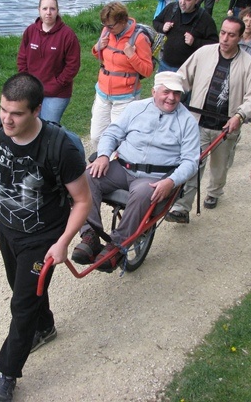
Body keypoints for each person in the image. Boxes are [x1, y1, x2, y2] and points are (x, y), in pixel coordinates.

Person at [0, 73, 92, 402]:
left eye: (16, 113)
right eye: (3, 109)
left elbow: (82, 201)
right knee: (25, 292)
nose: (7, 118)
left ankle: (7, 374)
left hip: (42, 238)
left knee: (21, 306)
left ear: (36, 111)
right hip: (7, 229)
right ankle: (45, 326)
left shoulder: (58, 147)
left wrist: (62, 242)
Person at [71, 72, 200, 270]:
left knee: (142, 194)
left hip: (154, 177)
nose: (172, 98)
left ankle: (117, 247)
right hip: (122, 167)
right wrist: (104, 155)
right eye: (167, 92)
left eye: (176, 93)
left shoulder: (186, 121)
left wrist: (171, 181)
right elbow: (112, 133)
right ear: (154, 91)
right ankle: (90, 235)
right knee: (88, 177)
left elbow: (191, 161)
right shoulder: (136, 108)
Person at [164, 17, 251, 223]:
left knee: (220, 166)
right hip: (198, 122)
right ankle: (182, 208)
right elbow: (182, 76)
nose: (225, 38)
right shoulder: (204, 53)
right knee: (192, 165)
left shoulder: (249, 64)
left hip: (227, 126)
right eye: (223, 33)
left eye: (231, 35)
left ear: (240, 37)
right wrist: (168, 91)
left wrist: (240, 115)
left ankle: (215, 192)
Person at [90, 2, 154, 150]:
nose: (108, 29)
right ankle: (100, 165)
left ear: (123, 21)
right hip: (102, 94)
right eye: (105, 25)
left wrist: (132, 56)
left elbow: (147, 70)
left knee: (117, 140)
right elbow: (106, 59)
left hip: (125, 97)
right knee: (96, 137)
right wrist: (96, 48)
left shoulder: (138, 39)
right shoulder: (107, 32)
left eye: (111, 26)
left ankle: (114, 170)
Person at [17, 0, 81, 123]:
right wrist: (27, 81)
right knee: (30, 126)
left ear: (57, 11)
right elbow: (22, 58)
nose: (48, 13)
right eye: (45, 8)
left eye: (52, 9)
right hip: (33, 90)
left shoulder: (67, 35)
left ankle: (70, 142)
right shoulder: (30, 31)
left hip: (57, 93)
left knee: (49, 128)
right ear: (39, 10)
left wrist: (57, 84)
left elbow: (73, 65)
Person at [153, 0, 218, 73]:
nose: (182, 2)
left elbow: (214, 44)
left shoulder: (205, 19)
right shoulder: (172, 8)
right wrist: (162, 27)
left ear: (196, 0)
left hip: (187, 69)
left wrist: (195, 42)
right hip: (165, 64)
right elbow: (156, 22)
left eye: (187, 0)